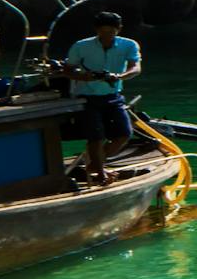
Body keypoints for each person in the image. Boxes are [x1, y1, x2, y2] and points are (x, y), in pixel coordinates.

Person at [58, 11, 142, 182]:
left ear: (119, 29)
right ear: (96, 30)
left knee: (124, 134)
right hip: (87, 98)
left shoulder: (129, 45)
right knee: (95, 136)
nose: (106, 35)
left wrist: (119, 76)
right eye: (102, 31)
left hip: (113, 95)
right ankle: (101, 173)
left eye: (111, 31)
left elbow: (136, 68)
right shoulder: (81, 46)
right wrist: (84, 77)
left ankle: (93, 166)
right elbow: (67, 70)